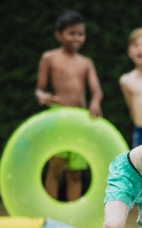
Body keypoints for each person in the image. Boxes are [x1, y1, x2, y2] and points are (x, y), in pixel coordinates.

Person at [35, 9, 104, 201]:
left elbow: (97, 91)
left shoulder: (86, 62)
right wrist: (43, 95)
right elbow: (39, 89)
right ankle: (51, 217)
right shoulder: (49, 58)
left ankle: (73, 220)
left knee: (75, 171)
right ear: (59, 35)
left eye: (80, 33)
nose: (77, 38)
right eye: (71, 33)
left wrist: (95, 102)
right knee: (56, 166)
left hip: (80, 118)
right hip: (59, 115)